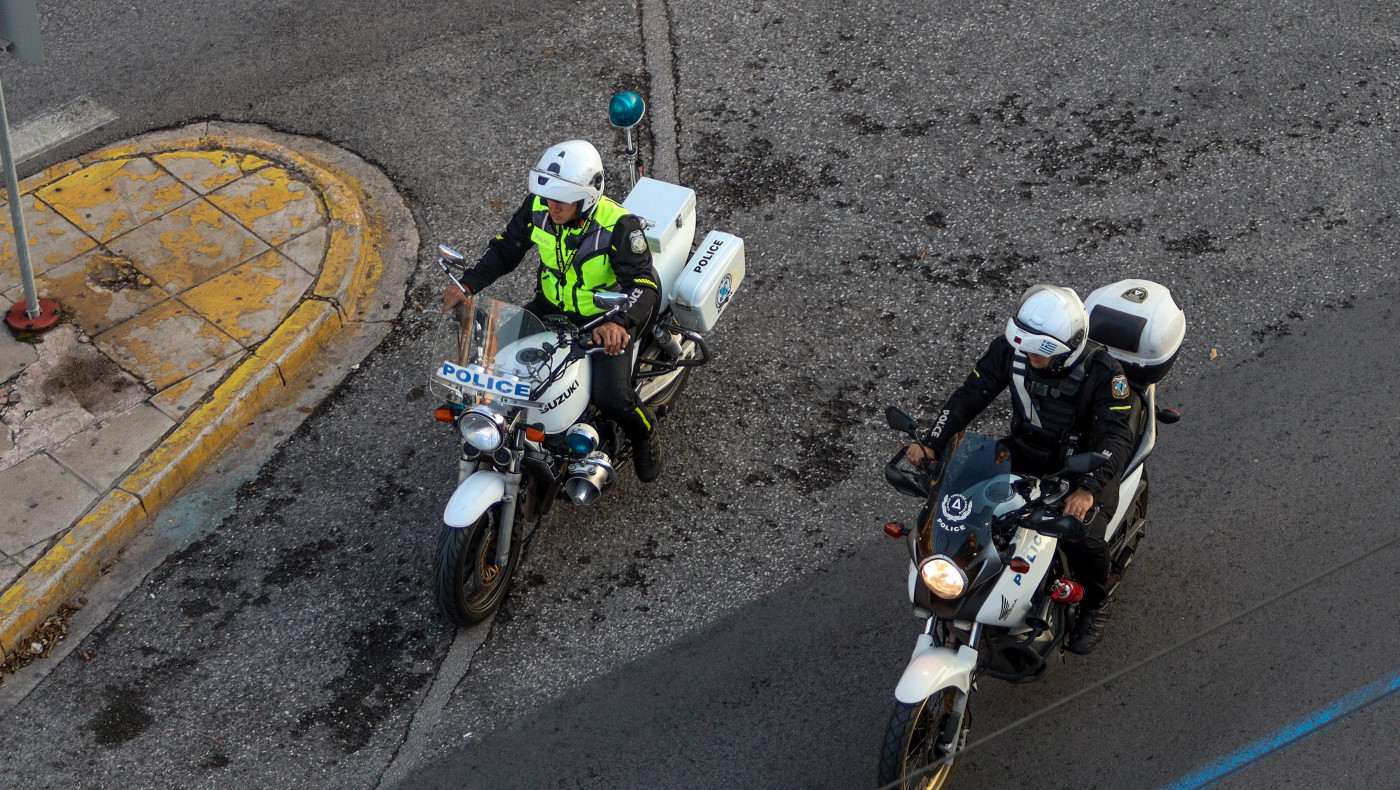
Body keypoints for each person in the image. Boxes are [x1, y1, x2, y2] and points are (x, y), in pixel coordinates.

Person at [905, 284, 1138, 654]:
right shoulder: (1012, 352)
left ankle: (1097, 604)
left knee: (1083, 536)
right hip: (1025, 452)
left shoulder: (1105, 374)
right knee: (967, 504)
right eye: (1024, 346)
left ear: (1067, 348)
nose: (1030, 357)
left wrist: (1089, 488)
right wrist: (933, 441)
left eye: (1040, 352)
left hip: (1083, 469)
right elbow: (970, 395)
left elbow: (1117, 439)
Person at [441, 140, 664, 482]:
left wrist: (620, 322)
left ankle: (644, 434)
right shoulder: (538, 207)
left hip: (603, 320)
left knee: (613, 398)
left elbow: (644, 285)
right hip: (549, 310)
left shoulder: (619, 226)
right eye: (547, 197)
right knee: (492, 367)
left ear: (588, 196)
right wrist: (467, 285)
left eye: (561, 200)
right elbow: (506, 250)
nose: (552, 206)